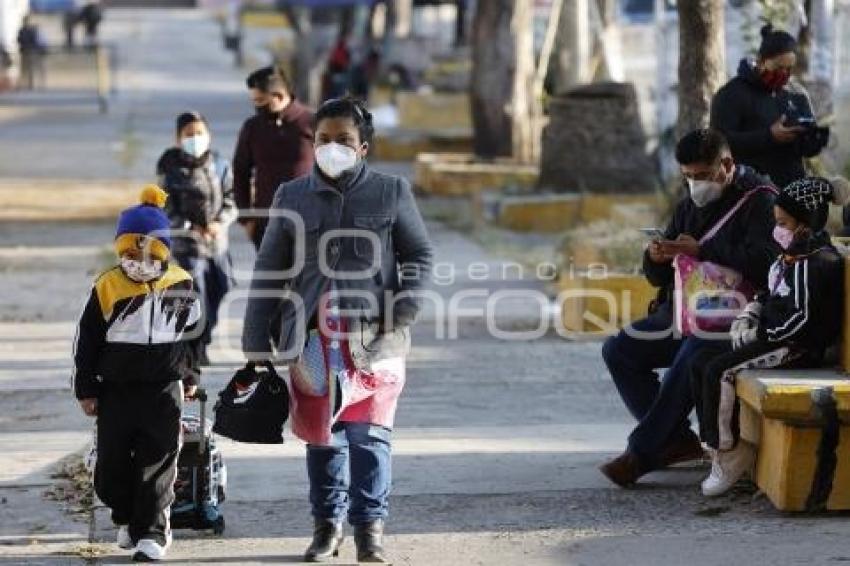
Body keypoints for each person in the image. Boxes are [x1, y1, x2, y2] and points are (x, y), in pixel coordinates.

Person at [242, 97, 433, 563]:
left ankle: (370, 529)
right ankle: (327, 525)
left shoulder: (391, 192)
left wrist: (401, 311)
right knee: (322, 439)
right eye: (323, 139)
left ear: (363, 146)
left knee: (370, 436)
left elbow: (419, 256)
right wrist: (255, 342)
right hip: (312, 341)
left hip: (376, 339)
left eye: (343, 140)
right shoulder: (291, 196)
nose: (332, 148)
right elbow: (270, 269)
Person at [599, 128, 780, 487]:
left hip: (743, 318)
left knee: (693, 350)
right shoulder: (688, 207)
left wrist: (703, 251)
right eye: (688, 177)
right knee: (619, 350)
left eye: (701, 175)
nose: (695, 184)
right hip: (685, 312)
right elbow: (657, 277)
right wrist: (656, 256)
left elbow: (767, 263)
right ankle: (676, 440)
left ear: (726, 165)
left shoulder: (761, 201)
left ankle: (643, 451)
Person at [690, 176, 849, 497]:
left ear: (806, 221)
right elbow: (772, 292)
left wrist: (758, 334)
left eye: (784, 222)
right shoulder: (792, 255)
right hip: (772, 335)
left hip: (794, 346)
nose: (778, 229)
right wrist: (751, 312)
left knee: (720, 371)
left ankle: (728, 453)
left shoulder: (816, 261)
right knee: (699, 360)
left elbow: (802, 321)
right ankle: (721, 442)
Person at [72, 185, 202, 562]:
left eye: (145, 252)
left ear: (162, 251)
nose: (136, 261)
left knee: (158, 462)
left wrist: (190, 375)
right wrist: (86, 387)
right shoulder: (107, 287)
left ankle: (153, 533)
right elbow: (86, 341)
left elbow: (192, 336)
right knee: (110, 469)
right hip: (116, 390)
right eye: (128, 252)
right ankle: (126, 516)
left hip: (164, 389)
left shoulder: (182, 284)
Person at [157, 111, 236, 365]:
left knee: (222, 288)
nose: (195, 138)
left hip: (218, 245)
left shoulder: (220, 164)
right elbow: (165, 208)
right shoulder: (170, 167)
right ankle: (195, 349)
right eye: (189, 134)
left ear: (209, 135)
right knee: (196, 298)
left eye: (199, 133)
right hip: (187, 248)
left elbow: (231, 201)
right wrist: (192, 227)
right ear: (178, 138)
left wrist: (219, 223)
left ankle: (204, 336)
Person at [710, 24, 829, 188]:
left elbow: (802, 148)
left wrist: (811, 141)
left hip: (792, 192)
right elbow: (718, 143)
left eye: (789, 69)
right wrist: (768, 136)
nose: (784, 74)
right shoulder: (732, 94)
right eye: (779, 67)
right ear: (761, 61)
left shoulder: (797, 94)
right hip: (748, 193)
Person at [233, 66, 314, 249]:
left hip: (310, 223)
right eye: (254, 101)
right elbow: (240, 171)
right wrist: (246, 218)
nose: (257, 106)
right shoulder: (252, 128)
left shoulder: (313, 122)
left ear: (278, 96)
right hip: (266, 225)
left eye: (261, 101)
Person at [17, 15, 47, 91]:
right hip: (29, 51)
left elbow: (20, 40)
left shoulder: (27, 30)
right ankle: (29, 84)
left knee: (30, 69)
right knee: (28, 69)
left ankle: (31, 84)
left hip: (29, 51)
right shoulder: (27, 30)